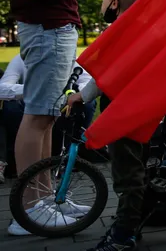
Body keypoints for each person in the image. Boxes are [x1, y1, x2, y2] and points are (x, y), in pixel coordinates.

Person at [4, 0, 112, 219]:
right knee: (37, 117)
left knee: (47, 117)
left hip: (50, 28)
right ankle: (31, 208)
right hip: (48, 29)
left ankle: (47, 199)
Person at [68, 0, 152, 251]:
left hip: (124, 114)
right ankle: (133, 223)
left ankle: (123, 237)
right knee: (137, 168)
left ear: (114, 3)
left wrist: (82, 95)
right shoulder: (144, 27)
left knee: (127, 174)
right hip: (144, 109)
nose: (103, 5)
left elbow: (106, 76)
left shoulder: (119, 32)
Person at [0, 56, 95, 185]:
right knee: (11, 107)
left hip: (63, 109)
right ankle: (21, 165)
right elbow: (3, 88)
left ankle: (67, 157)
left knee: (87, 104)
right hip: (31, 109)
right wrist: (35, 91)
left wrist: (76, 95)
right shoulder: (21, 60)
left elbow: (87, 83)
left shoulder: (73, 60)